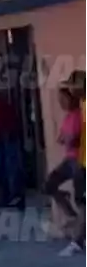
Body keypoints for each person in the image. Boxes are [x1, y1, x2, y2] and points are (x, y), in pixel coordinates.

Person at [44, 84, 86, 256]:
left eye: (63, 99)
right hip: (69, 159)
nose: (61, 103)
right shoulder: (68, 117)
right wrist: (68, 139)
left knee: (82, 200)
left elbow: (74, 139)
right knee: (49, 184)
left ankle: (78, 240)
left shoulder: (80, 115)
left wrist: (70, 139)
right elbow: (62, 137)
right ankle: (72, 217)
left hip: (79, 161)